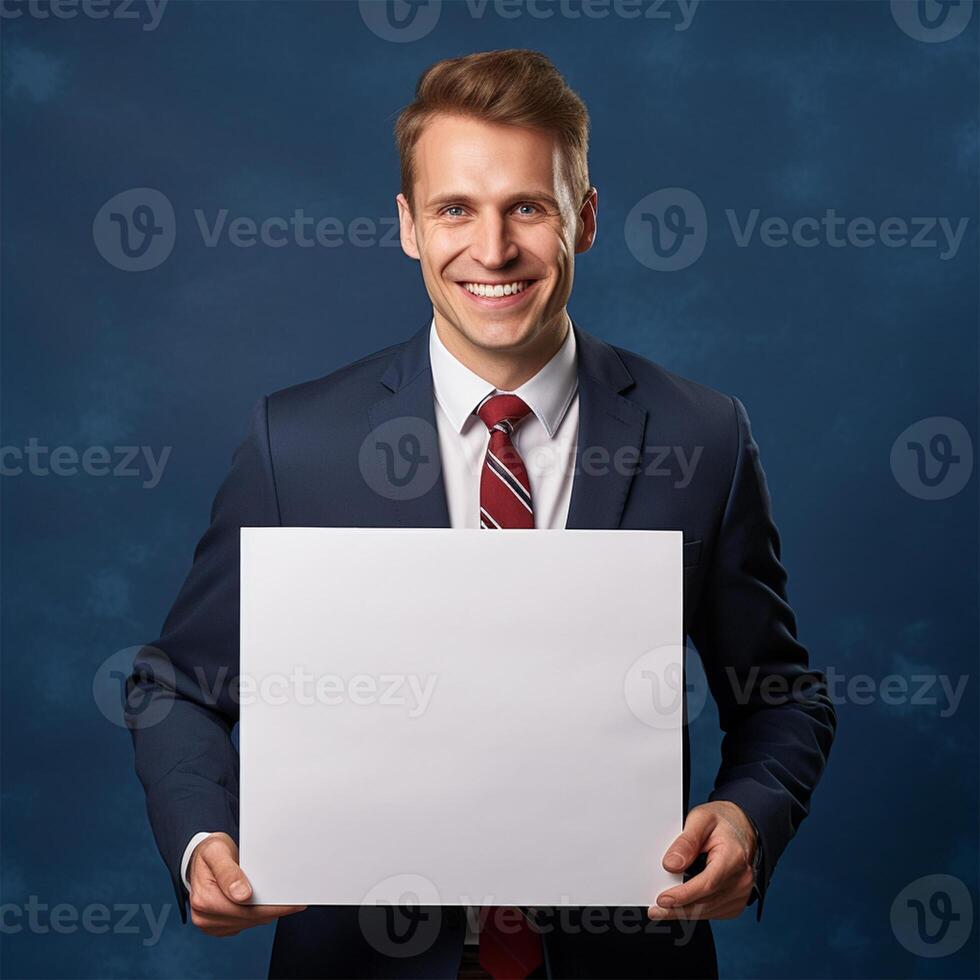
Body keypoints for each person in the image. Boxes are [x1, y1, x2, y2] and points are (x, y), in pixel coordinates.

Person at [127, 48, 837, 979]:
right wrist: (199, 841)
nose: (492, 249)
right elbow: (176, 683)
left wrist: (747, 815)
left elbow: (780, 693)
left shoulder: (702, 435)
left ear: (583, 220)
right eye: (455, 208)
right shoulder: (294, 443)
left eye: (527, 208)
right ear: (409, 227)